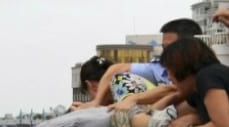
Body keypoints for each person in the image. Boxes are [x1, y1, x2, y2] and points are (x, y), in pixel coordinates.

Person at [70, 18, 203, 111]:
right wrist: (96, 103)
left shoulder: (203, 70)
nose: (165, 52)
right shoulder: (158, 67)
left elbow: (174, 89)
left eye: (169, 47)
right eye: (163, 47)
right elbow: (116, 69)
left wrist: (133, 100)